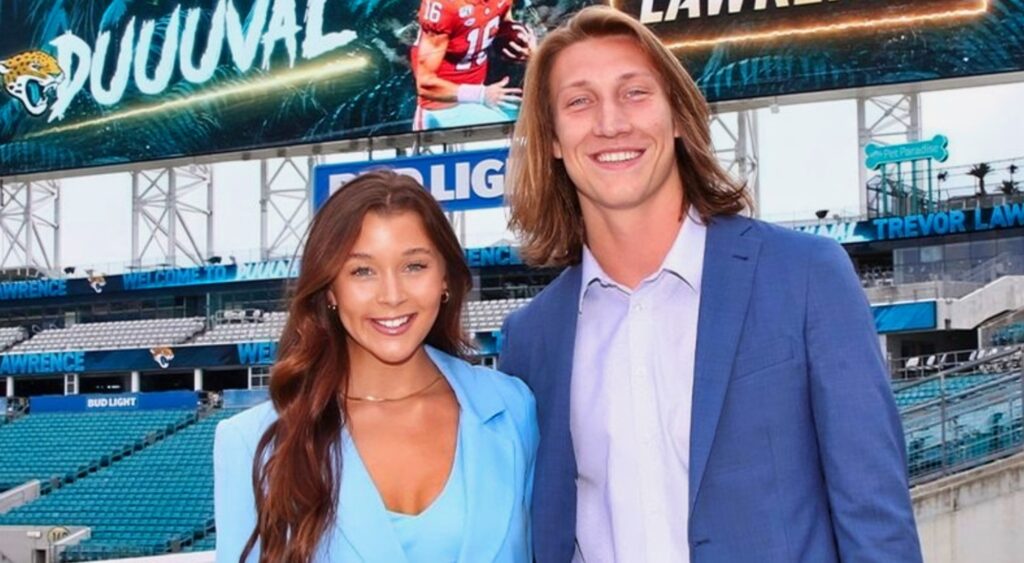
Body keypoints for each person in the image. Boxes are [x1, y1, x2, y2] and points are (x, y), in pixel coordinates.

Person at [500, 6, 922, 563]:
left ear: (677, 116)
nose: (610, 123)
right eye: (579, 101)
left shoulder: (804, 276)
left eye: (634, 93)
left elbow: (875, 517)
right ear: (552, 139)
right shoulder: (531, 339)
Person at [214, 170, 537, 562]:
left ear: (445, 279)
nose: (392, 296)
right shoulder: (254, 442)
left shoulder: (512, 409)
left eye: (414, 266)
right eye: (362, 271)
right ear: (331, 290)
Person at [411, 0, 535, 130]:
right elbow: (424, 85)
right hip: (441, 109)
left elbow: (501, 19)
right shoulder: (445, 5)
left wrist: (519, 41)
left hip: (482, 98)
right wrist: (480, 94)